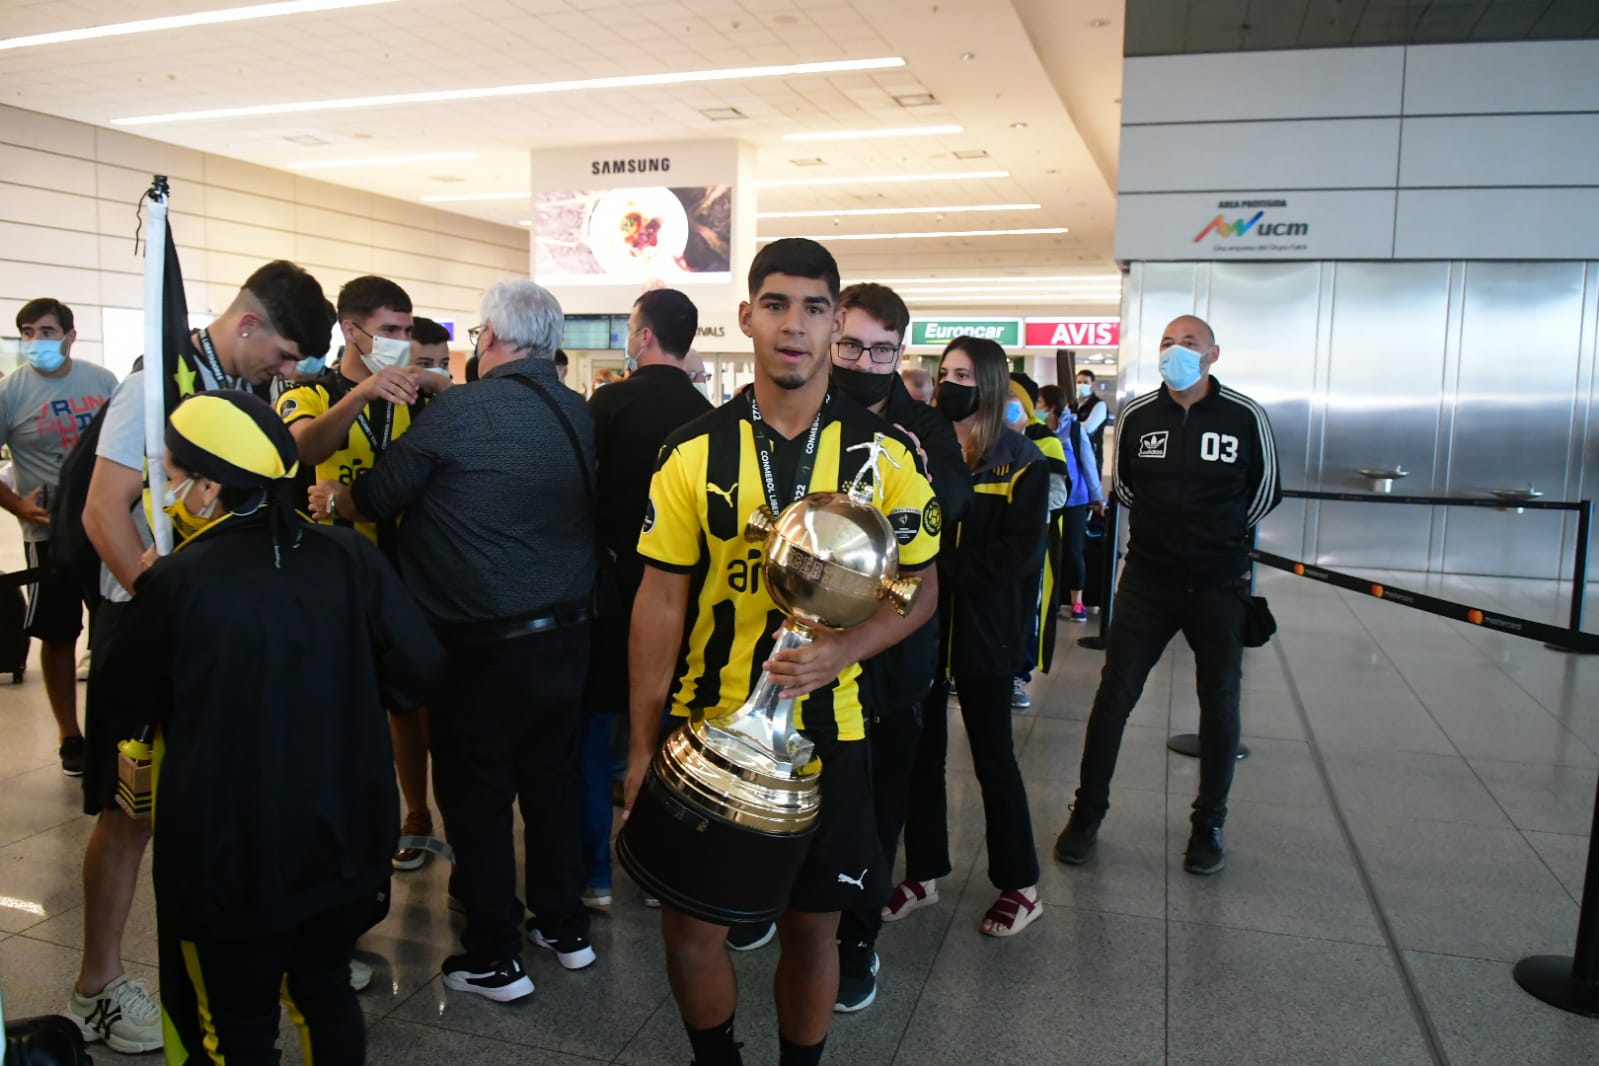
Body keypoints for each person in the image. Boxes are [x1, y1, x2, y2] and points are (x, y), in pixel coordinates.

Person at [623, 238, 939, 1066]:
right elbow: (660, 602)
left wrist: (847, 649)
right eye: (775, 305)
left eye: (813, 308)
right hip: (705, 720)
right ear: (746, 318)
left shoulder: (886, 455)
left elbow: (920, 586)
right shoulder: (692, 451)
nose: (793, 325)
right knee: (692, 932)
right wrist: (640, 745)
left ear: (835, 324)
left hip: (830, 731)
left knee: (811, 930)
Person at [97, 391, 443, 1064]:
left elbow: (123, 697)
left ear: (209, 486)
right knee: (325, 990)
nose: (167, 487)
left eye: (172, 471)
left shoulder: (178, 580)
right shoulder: (349, 556)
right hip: (345, 838)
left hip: (230, 852)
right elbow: (418, 670)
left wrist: (147, 595)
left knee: (237, 1028)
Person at [311, 279, 598, 1001]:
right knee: (552, 787)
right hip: (567, 634)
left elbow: (377, 496)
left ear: (491, 338)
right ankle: (564, 927)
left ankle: (495, 956)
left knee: (477, 798)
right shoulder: (574, 410)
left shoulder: (460, 413)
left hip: (481, 644)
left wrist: (333, 499)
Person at [76, 259, 336, 1054]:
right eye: (283, 355)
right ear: (249, 324)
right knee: (131, 812)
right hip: (151, 629)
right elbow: (102, 513)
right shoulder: (154, 388)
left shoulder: (239, 395)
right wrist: (171, 607)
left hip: (218, 635)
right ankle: (97, 985)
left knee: (214, 803)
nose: (286, 373)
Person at [1054, 315, 1281, 876]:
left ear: (1212, 355)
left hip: (1219, 583)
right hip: (1148, 580)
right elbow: (1127, 487)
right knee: (1114, 696)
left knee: (1219, 701)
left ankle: (1209, 825)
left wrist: (1218, 538)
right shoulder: (1138, 415)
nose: (1175, 351)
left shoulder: (1244, 416)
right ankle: (1086, 814)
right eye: (1167, 343)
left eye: (1189, 343)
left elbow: (1266, 491)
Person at [826, 282, 972, 1012]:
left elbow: (951, 503)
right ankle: (777, 907)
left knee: (878, 805)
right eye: (850, 345)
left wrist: (910, 470)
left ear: (900, 352)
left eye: (881, 351)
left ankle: (858, 938)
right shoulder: (808, 414)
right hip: (809, 648)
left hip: (892, 653)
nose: (864, 362)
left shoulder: (921, 425)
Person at [277, 277, 447, 872]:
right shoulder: (309, 391)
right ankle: (350, 814)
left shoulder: (417, 398)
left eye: (406, 329)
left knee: (412, 701)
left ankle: (418, 812)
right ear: (351, 331)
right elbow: (303, 447)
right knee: (341, 702)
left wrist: (432, 380)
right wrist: (365, 392)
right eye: (388, 330)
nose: (400, 340)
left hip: (409, 569)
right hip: (332, 575)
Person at [887, 336, 1046, 938]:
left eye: (964, 376)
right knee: (921, 756)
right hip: (923, 630)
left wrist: (936, 572)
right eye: (945, 373)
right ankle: (924, 871)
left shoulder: (1022, 461)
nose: (950, 385)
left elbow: (1019, 553)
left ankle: (1020, 884)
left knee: (993, 758)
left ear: (990, 384)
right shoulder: (923, 451)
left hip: (986, 633)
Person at [580, 288, 712, 908]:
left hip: (613, 597)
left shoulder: (608, 404)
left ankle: (594, 874)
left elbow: (583, 494)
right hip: (687, 603)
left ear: (645, 337)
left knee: (594, 732)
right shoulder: (709, 418)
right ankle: (663, 872)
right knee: (674, 736)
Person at [0, 298, 117, 773]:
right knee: (58, 632)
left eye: (46, 331)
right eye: (27, 332)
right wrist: (17, 505)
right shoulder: (9, 392)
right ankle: (70, 735)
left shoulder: (101, 381)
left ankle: (114, 727)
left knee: (112, 627)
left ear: (70, 336)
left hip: (105, 524)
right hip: (48, 533)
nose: (36, 341)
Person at [1006, 374, 1068, 709]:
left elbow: (1058, 494)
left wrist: (1021, 510)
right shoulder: (983, 436)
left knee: (1027, 607)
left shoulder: (1045, 441)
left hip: (1031, 540)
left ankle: (1019, 673)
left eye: (1011, 397)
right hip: (991, 539)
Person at [1038, 385, 1105, 623]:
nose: (1036, 407)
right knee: (1047, 551)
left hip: (1075, 499)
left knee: (1073, 551)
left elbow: (1088, 463)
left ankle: (1078, 602)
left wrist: (1097, 497)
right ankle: (1051, 600)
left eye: (1039, 402)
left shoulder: (1075, 430)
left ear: (1050, 406)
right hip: (1047, 500)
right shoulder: (1036, 430)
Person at [1076, 368, 1108, 474]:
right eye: (1079, 382)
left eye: (1085, 382)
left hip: (1092, 454)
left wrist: (1069, 424)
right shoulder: (1073, 404)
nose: (1081, 385)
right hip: (1075, 453)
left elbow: (1088, 428)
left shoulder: (1099, 405)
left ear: (1093, 385)